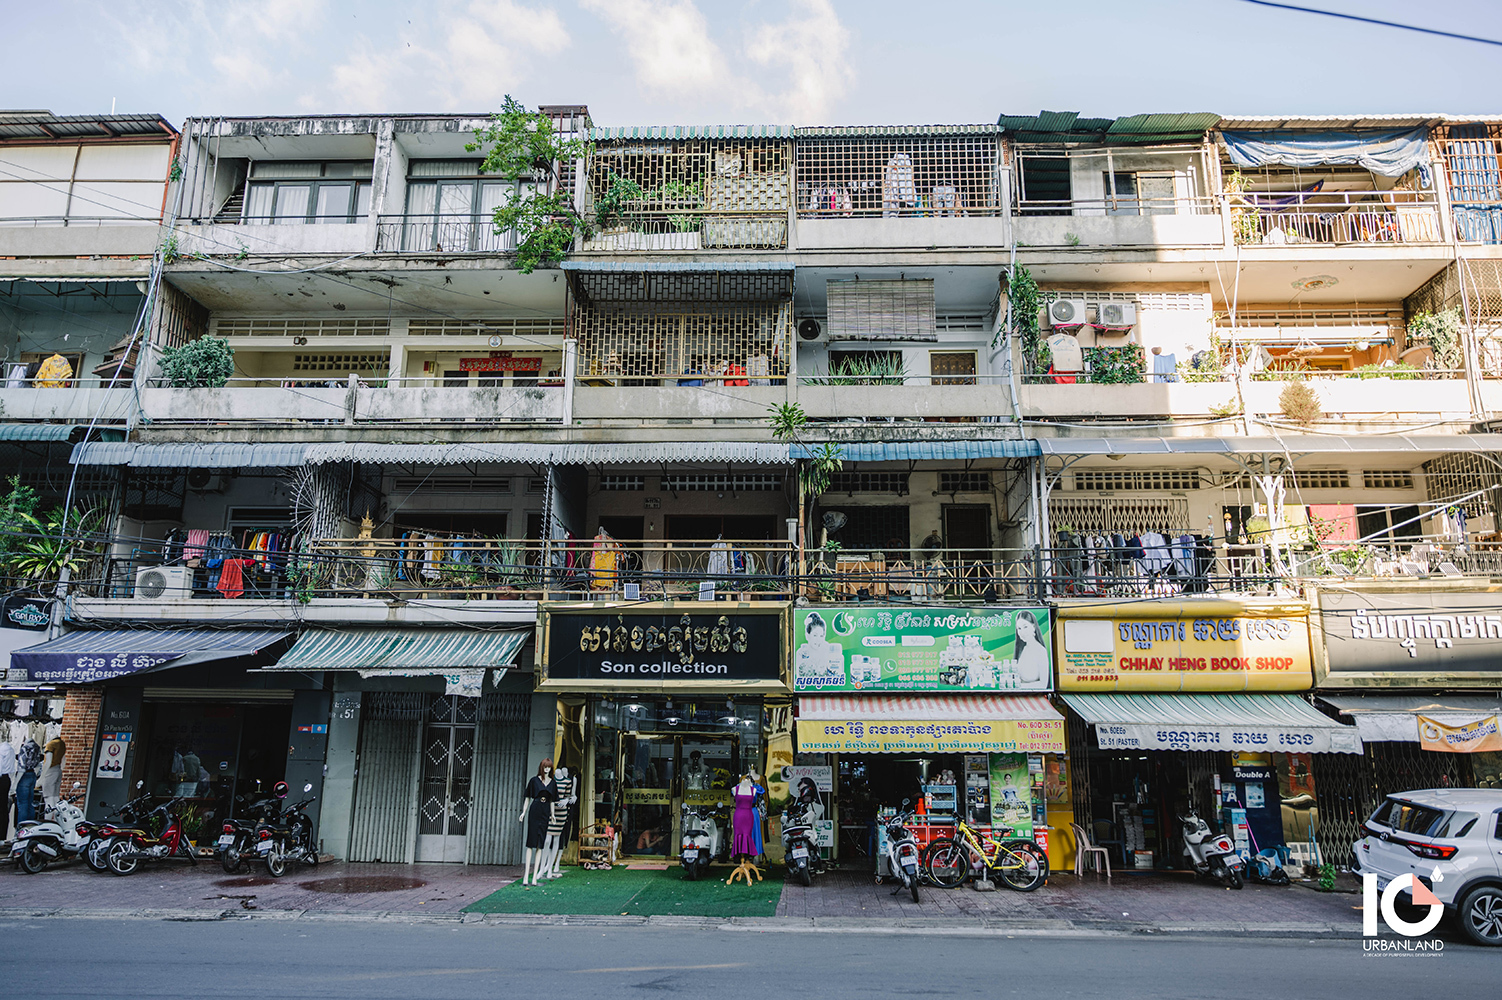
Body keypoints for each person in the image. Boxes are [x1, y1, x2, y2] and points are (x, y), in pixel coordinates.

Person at [795, 612, 845, 682]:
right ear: (807, 635)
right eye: (815, 635)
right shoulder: (802, 653)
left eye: (821, 636)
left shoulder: (828, 650)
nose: (818, 640)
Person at [1013, 609, 1049, 686]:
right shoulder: (1022, 649)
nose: (1022, 632)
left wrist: (1019, 687)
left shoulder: (1040, 650)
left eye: (1025, 627)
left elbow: (1043, 684)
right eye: (1019, 629)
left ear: (1033, 626)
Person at [15, 736, 42, 824]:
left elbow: (22, 767)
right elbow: (38, 764)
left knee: (22, 804)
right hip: (32, 774)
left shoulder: (25, 748)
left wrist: (15, 783)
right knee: (30, 803)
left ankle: (21, 826)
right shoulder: (37, 747)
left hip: (24, 775)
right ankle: (30, 824)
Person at [41, 732, 65, 805]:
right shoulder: (62, 744)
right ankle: (56, 816)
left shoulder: (51, 745)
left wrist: (41, 777)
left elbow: (48, 762)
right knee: (55, 797)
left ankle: (47, 817)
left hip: (50, 770)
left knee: (48, 798)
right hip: (58, 769)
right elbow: (64, 760)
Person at [0, 738, 14, 838]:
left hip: (1, 778)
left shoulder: (2, 750)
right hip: (7, 778)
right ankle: (2, 835)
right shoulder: (11, 750)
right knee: (4, 808)